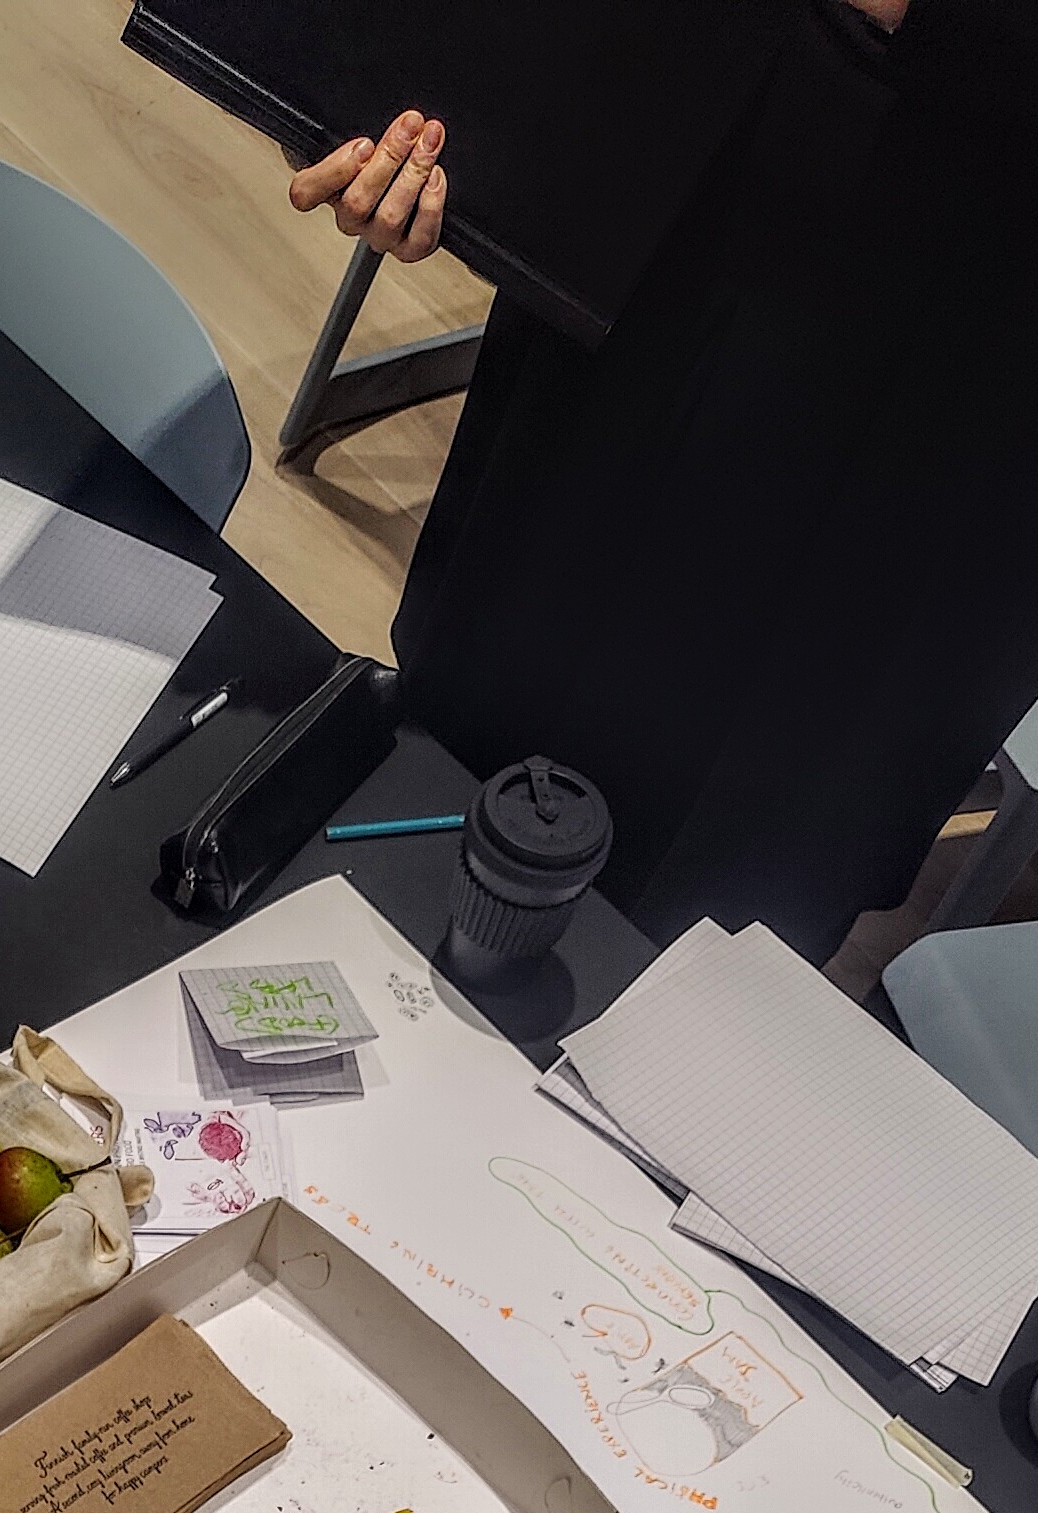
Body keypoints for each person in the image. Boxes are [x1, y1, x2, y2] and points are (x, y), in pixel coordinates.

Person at [287, 0, 1038, 960]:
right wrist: (394, 99)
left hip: (958, 405)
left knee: (725, 905)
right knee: (460, 742)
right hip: (676, 190)